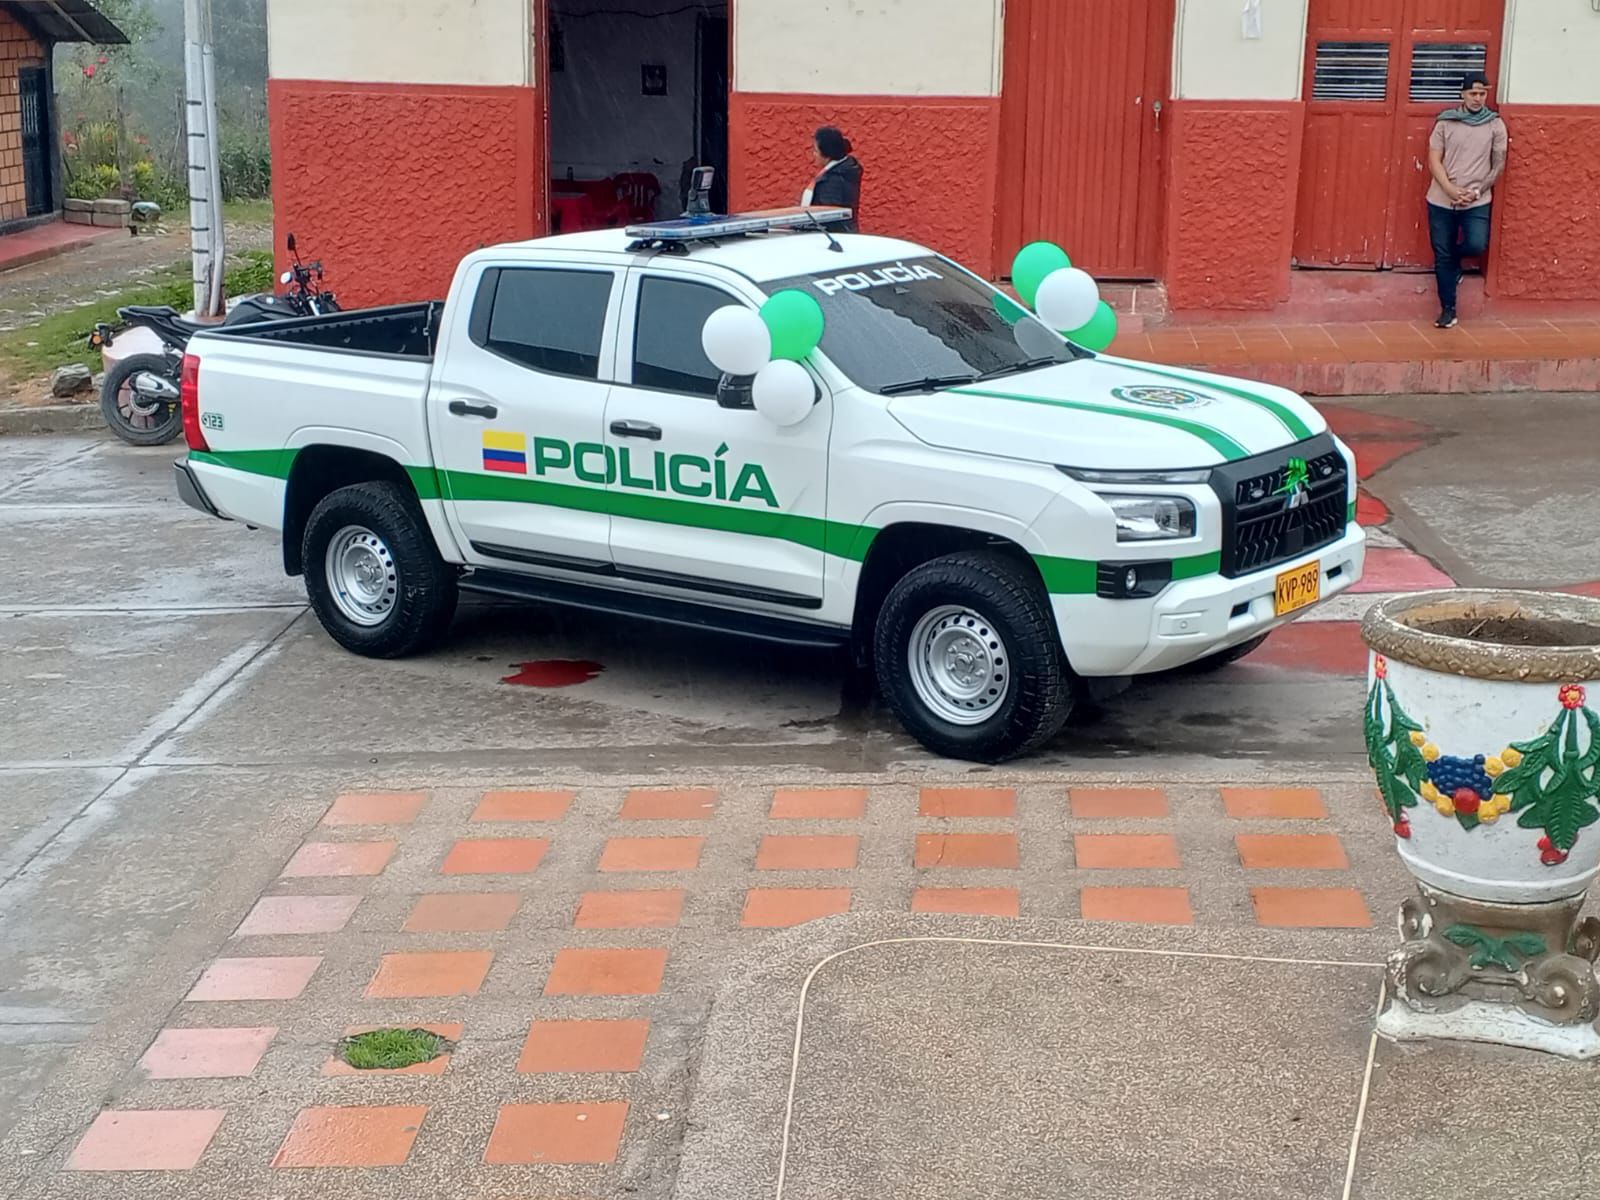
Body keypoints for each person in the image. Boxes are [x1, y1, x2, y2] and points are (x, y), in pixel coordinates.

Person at [1425, 70, 1508, 329]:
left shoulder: (1495, 124)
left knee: (1475, 244)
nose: (1478, 98)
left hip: (1477, 200)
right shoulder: (1445, 122)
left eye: (1483, 93)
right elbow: (1433, 159)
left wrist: (1477, 190)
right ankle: (1448, 310)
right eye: (1473, 93)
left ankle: (1455, 262)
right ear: (1462, 93)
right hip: (1441, 199)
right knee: (1442, 255)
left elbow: (1498, 164)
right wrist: (1449, 189)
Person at [802, 126, 862, 232]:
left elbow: (828, 218)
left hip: (833, 239)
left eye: (816, 150)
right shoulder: (845, 170)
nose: (813, 154)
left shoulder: (833, 180)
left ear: (827, 155)